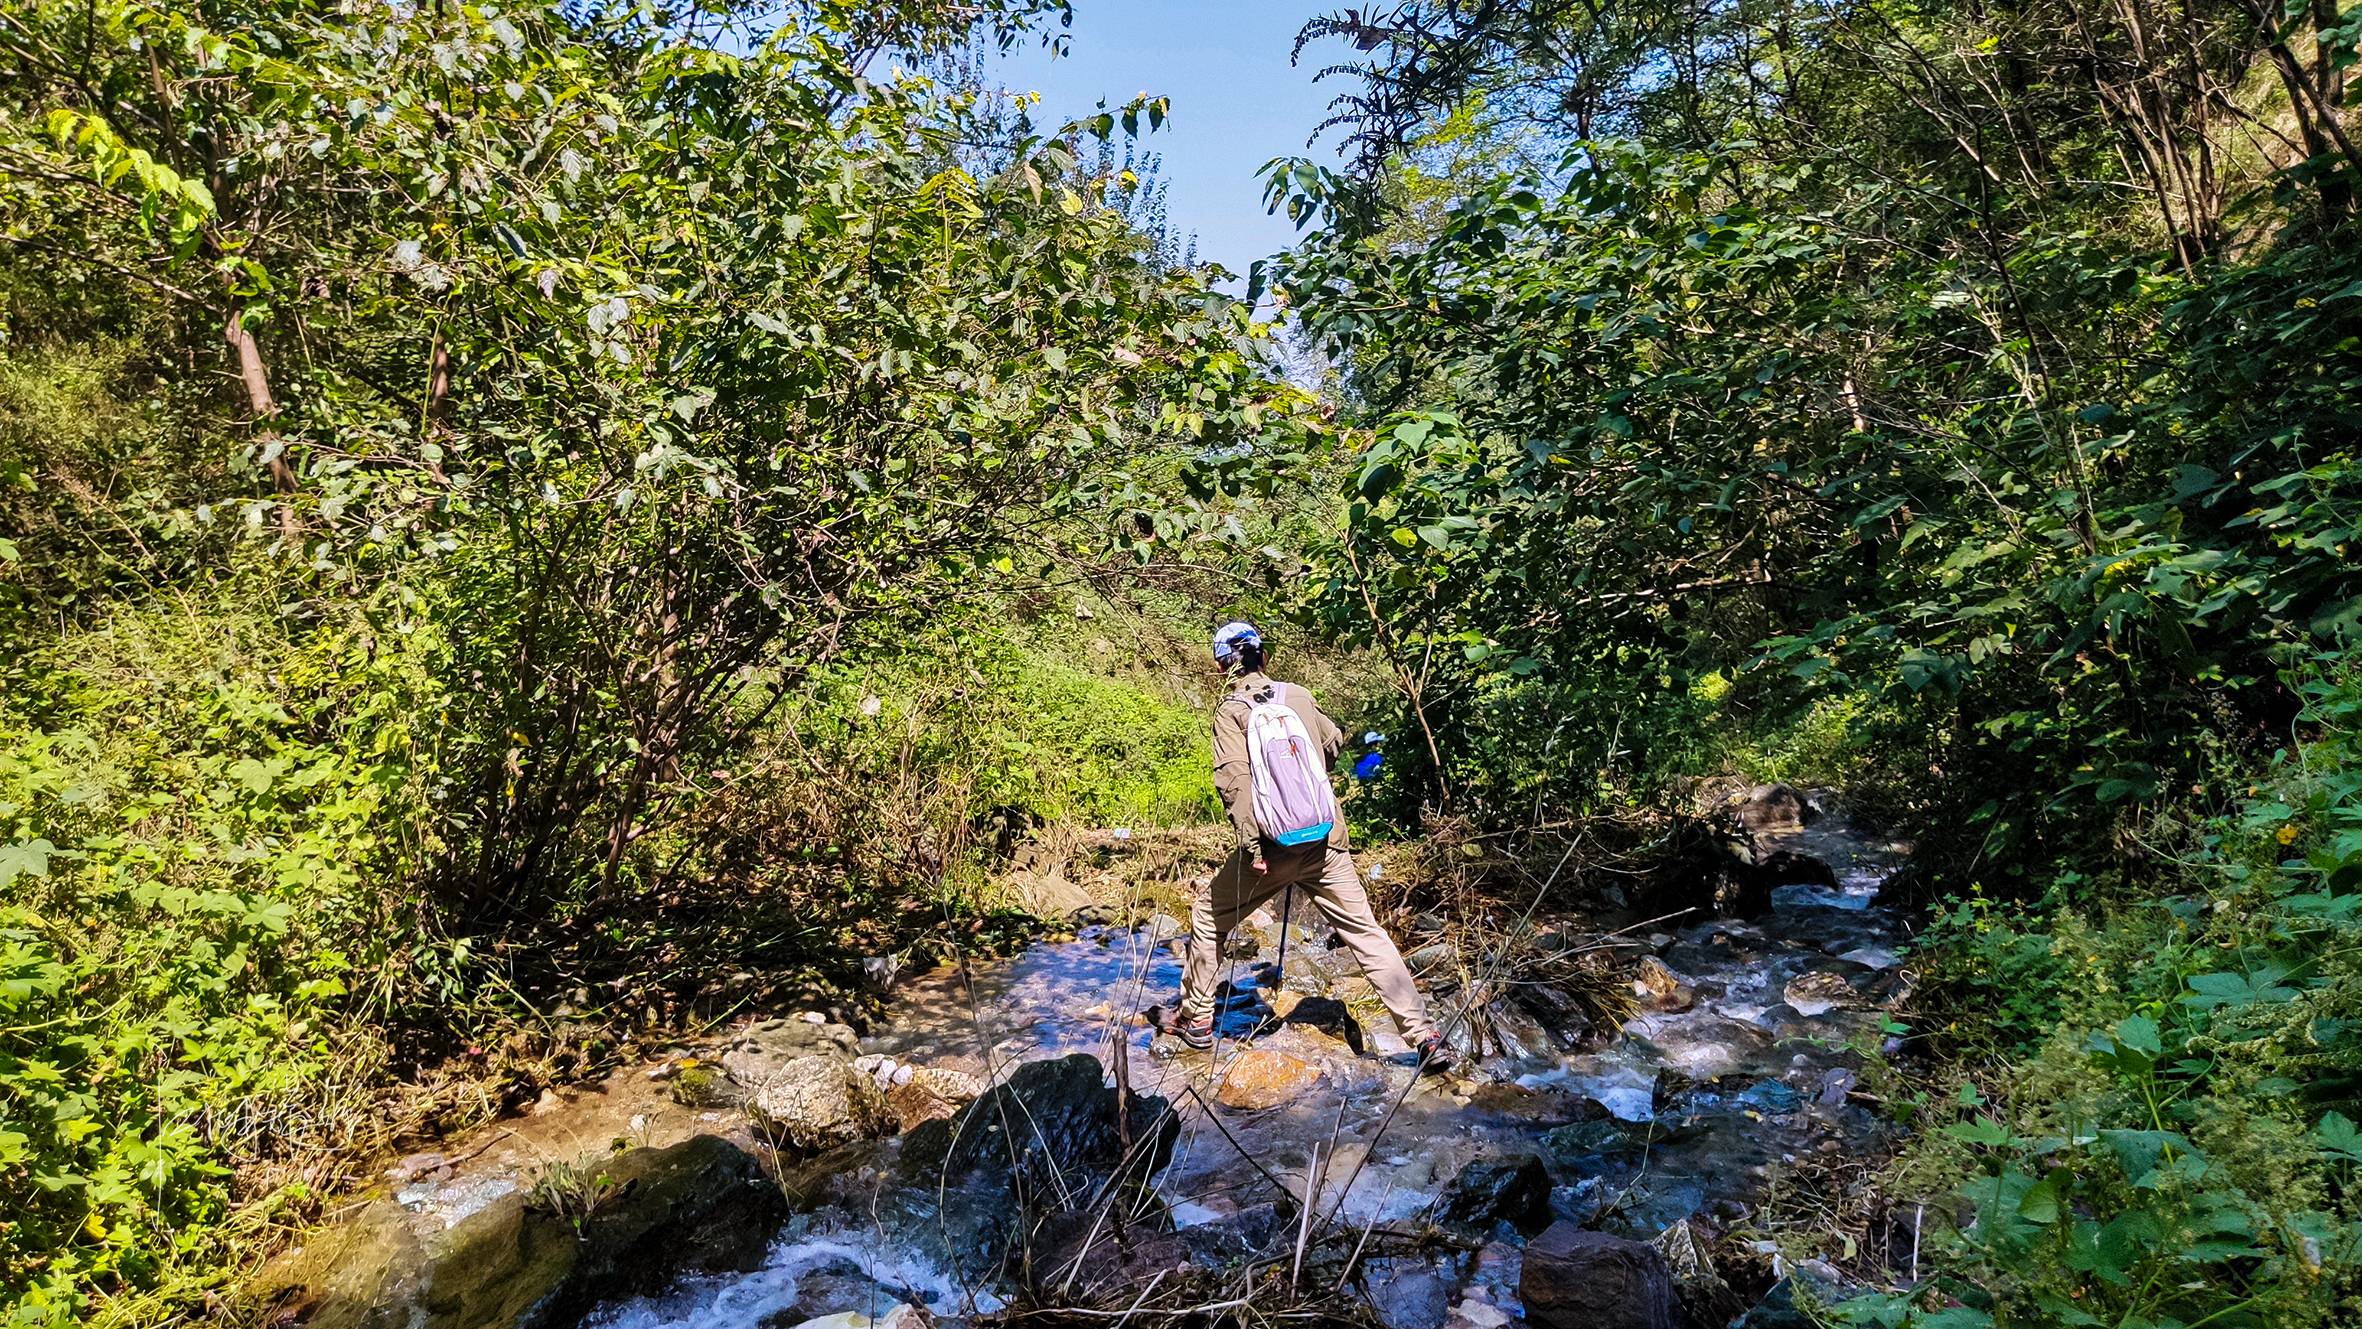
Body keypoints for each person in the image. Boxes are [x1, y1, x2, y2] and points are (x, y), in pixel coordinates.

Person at [1171, 621, 1454, 1073]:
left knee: (1209, 914)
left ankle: (1198, 1018)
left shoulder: (1231, 711)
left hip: (1269, 850)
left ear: (1222, 666)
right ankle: (1424, 1035)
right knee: (1366, 933)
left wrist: (1253, 849)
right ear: (1264, 657)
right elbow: (1333, 742)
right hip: (1325, 840)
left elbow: (1234, 784)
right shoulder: (1298, 695)